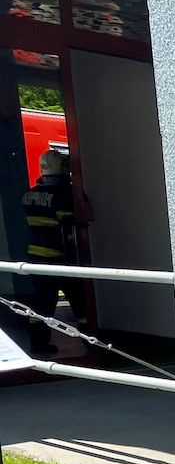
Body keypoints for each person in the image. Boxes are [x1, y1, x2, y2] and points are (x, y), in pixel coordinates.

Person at [20, 149, 85, 355]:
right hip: (60, 259)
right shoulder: (62, 195)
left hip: (35, 257)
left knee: (41, 305)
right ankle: (92, 343)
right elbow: (70, 224)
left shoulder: (29, 194)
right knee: (81, 304)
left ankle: (38, 345)